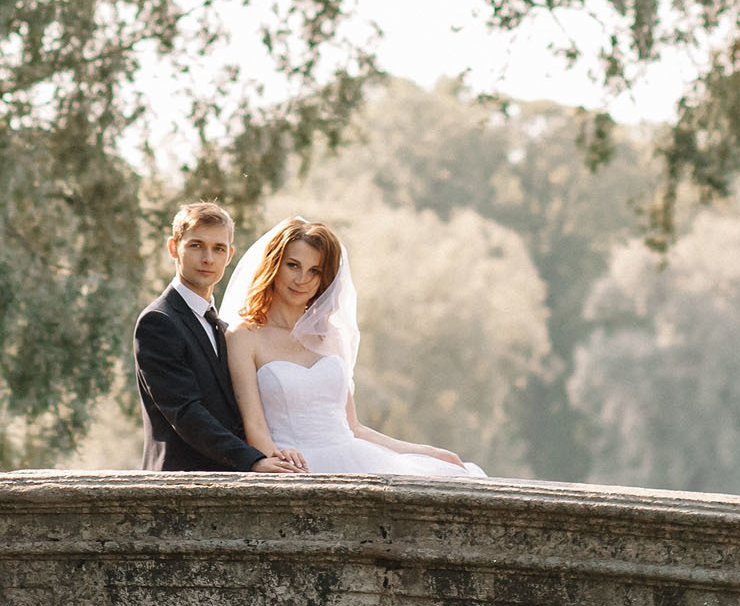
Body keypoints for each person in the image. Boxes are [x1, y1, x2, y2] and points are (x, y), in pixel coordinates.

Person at [223, 215, 489, 479]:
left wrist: (425, 451)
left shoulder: (330, 336)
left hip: (353, 456)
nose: (302, 279)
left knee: (454, 474)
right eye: (293, 265)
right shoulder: (244, 336)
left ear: (324, 278)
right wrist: (275, 460)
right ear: (274, 265)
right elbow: (254, 426)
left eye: (314, 270)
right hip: (294, 463)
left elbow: (353, 427)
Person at [134, 202, 306, 473]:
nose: (208, 259)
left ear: (229, 255)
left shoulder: (222, 326)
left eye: (218, 249)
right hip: (178, 484)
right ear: (173, 248)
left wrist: (272, 450)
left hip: (226, 479)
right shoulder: (158, 322)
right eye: (196, 245)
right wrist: (252, 460)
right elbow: (185, 412)